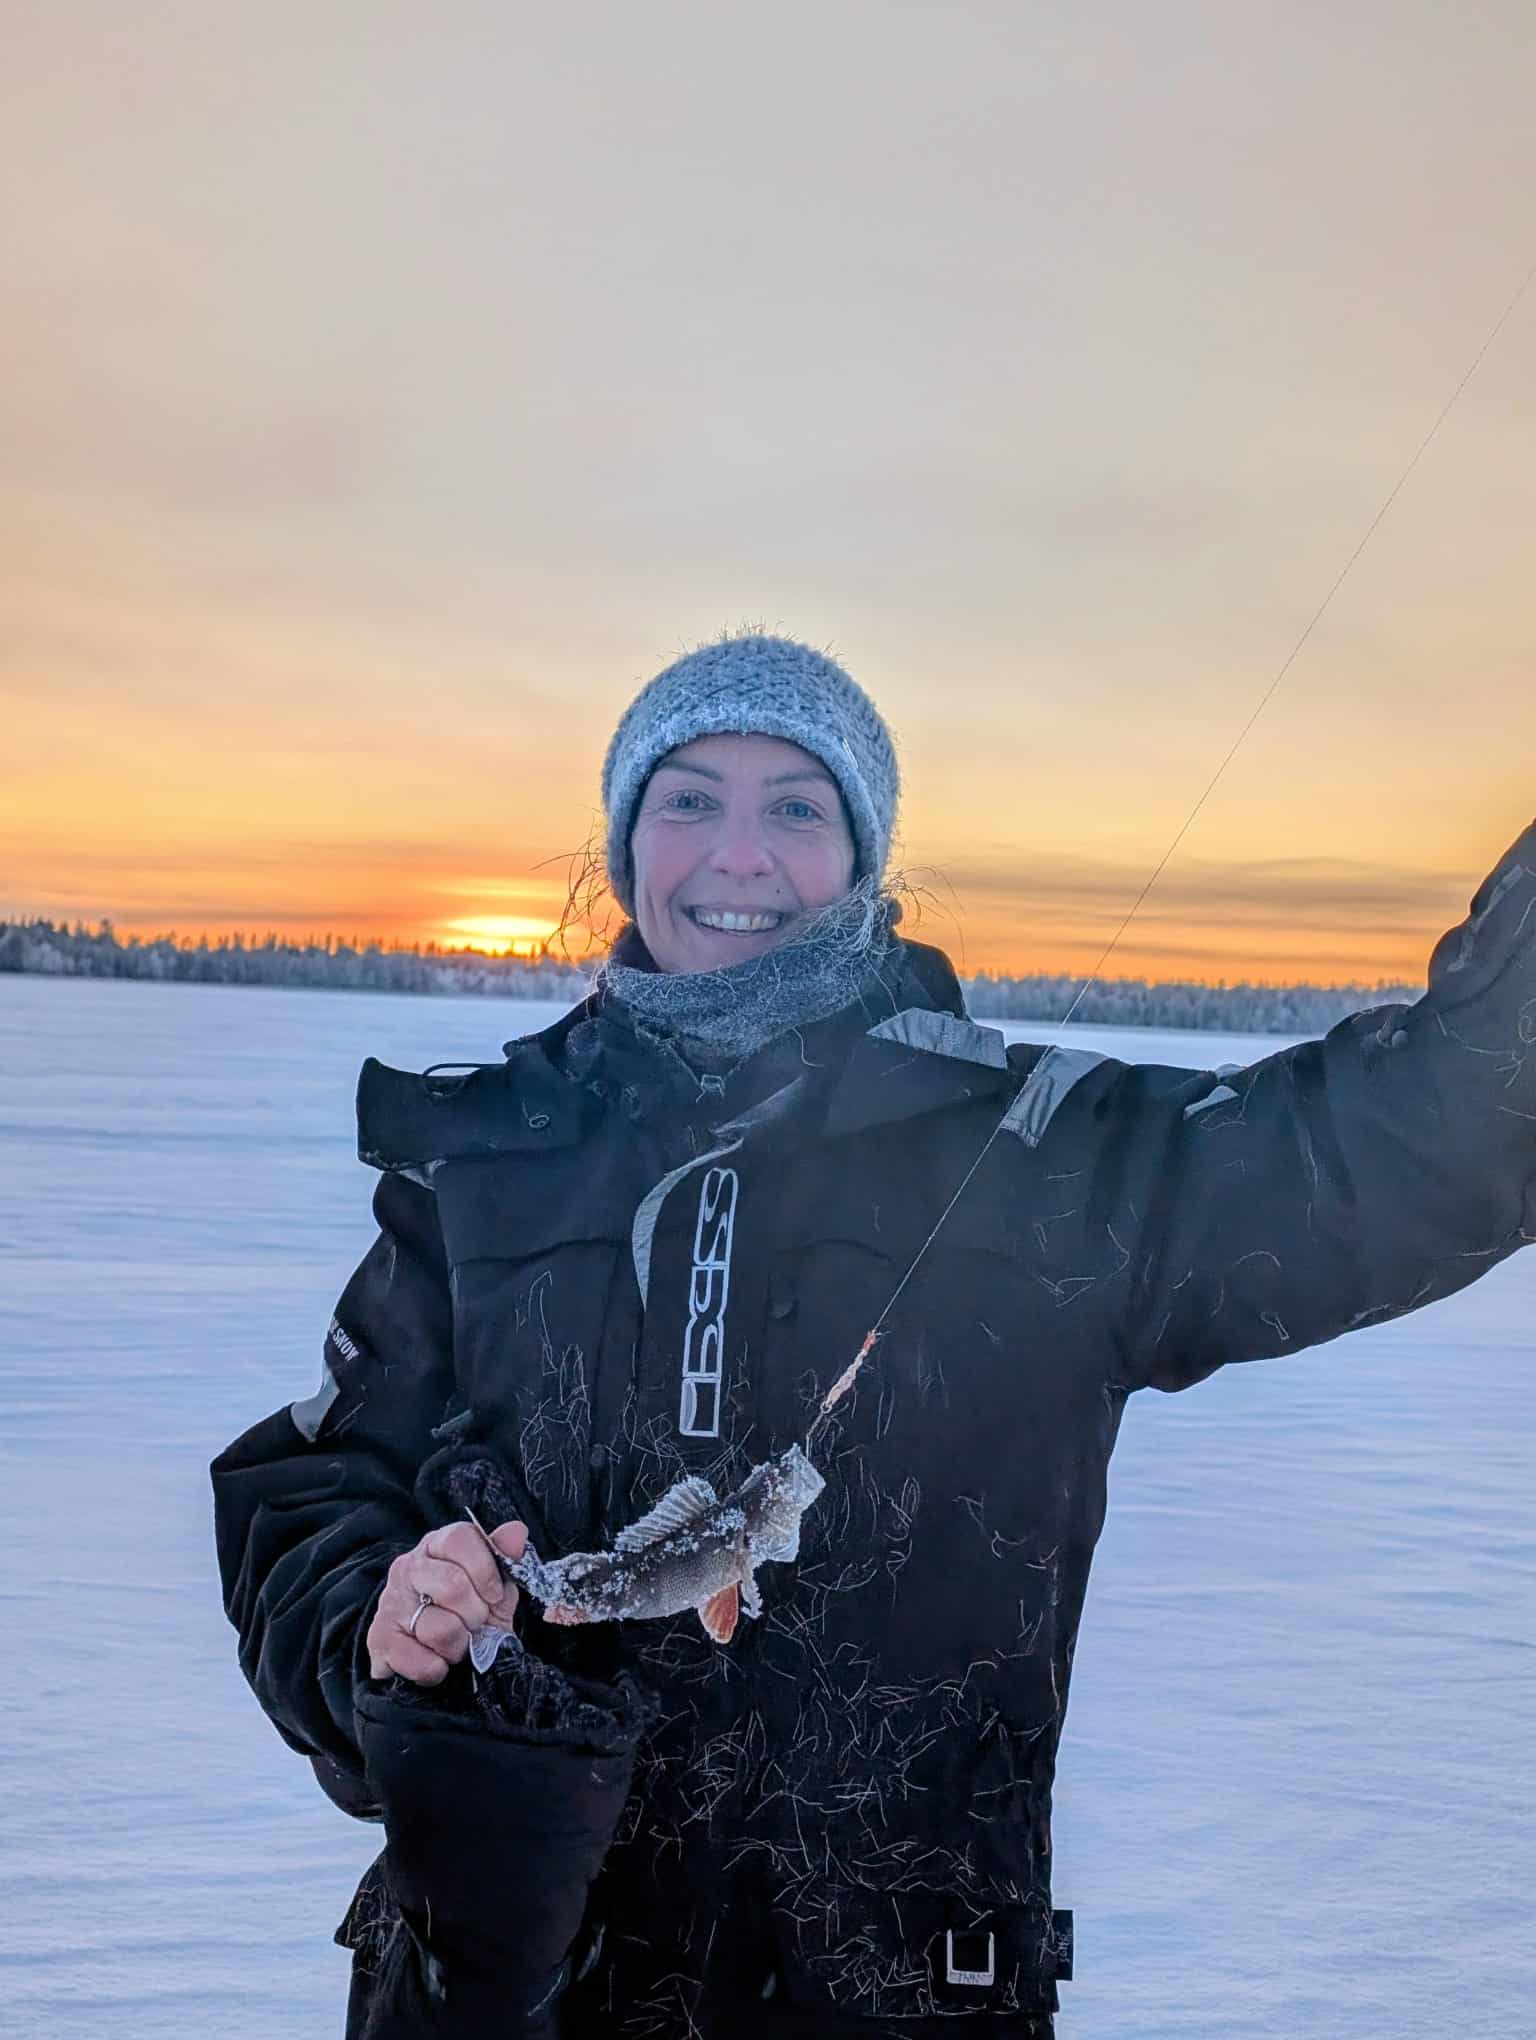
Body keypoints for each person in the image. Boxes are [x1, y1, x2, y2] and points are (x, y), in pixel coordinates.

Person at [213, 631, 1536, 2039]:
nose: (738, 853)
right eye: (689, 799)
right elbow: (310, 1493)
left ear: (863, 860)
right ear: (621, 845)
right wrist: (379, 1621)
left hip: (895, 1985)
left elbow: (1394, 1154)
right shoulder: (479, 1162)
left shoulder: (1033, 1157)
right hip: (504, 1985)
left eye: (796, 806)